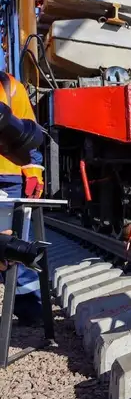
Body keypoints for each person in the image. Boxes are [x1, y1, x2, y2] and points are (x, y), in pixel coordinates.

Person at [0, 71, 45, 326]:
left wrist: (33, 168)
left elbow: (29, 130)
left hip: (8, 177)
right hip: (9, 177)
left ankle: (31, 311)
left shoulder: (9, 86)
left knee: (13, 246)